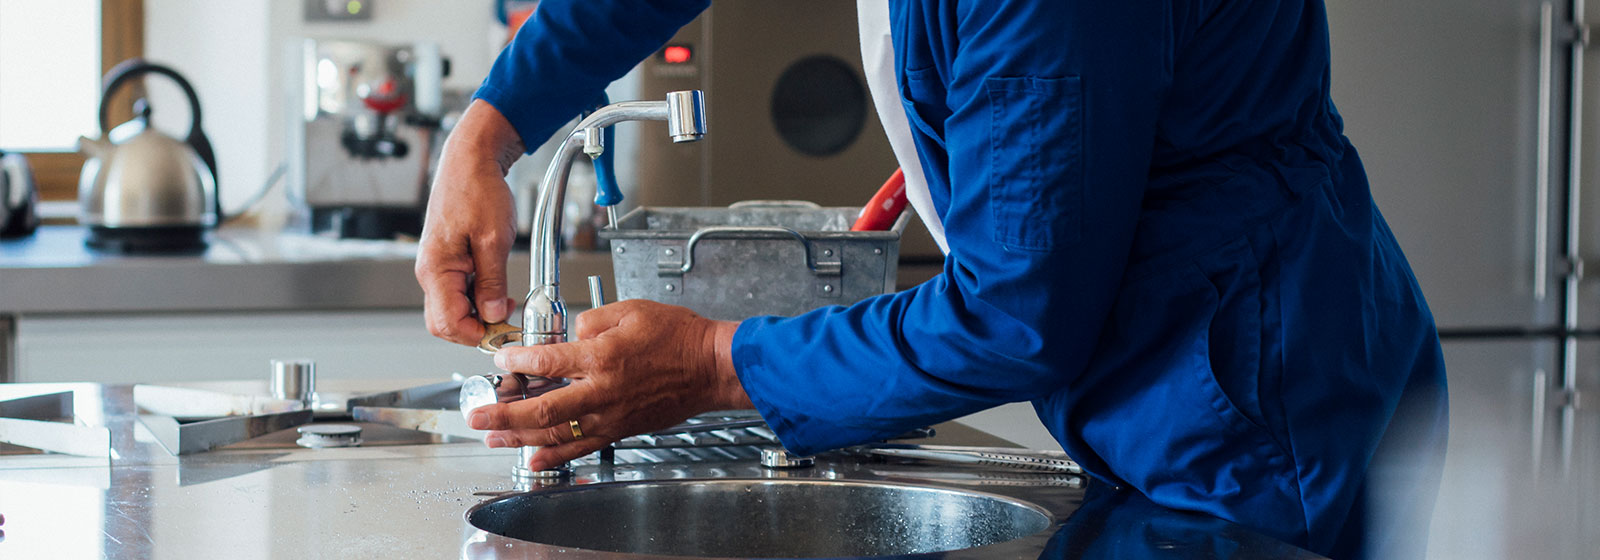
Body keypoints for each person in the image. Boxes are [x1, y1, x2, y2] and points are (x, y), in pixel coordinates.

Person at [415, 1, 1448, 558]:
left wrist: (709, 359)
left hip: (1253, 402)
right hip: (1170, 372)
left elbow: (1015, 309)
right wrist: (488, 129)